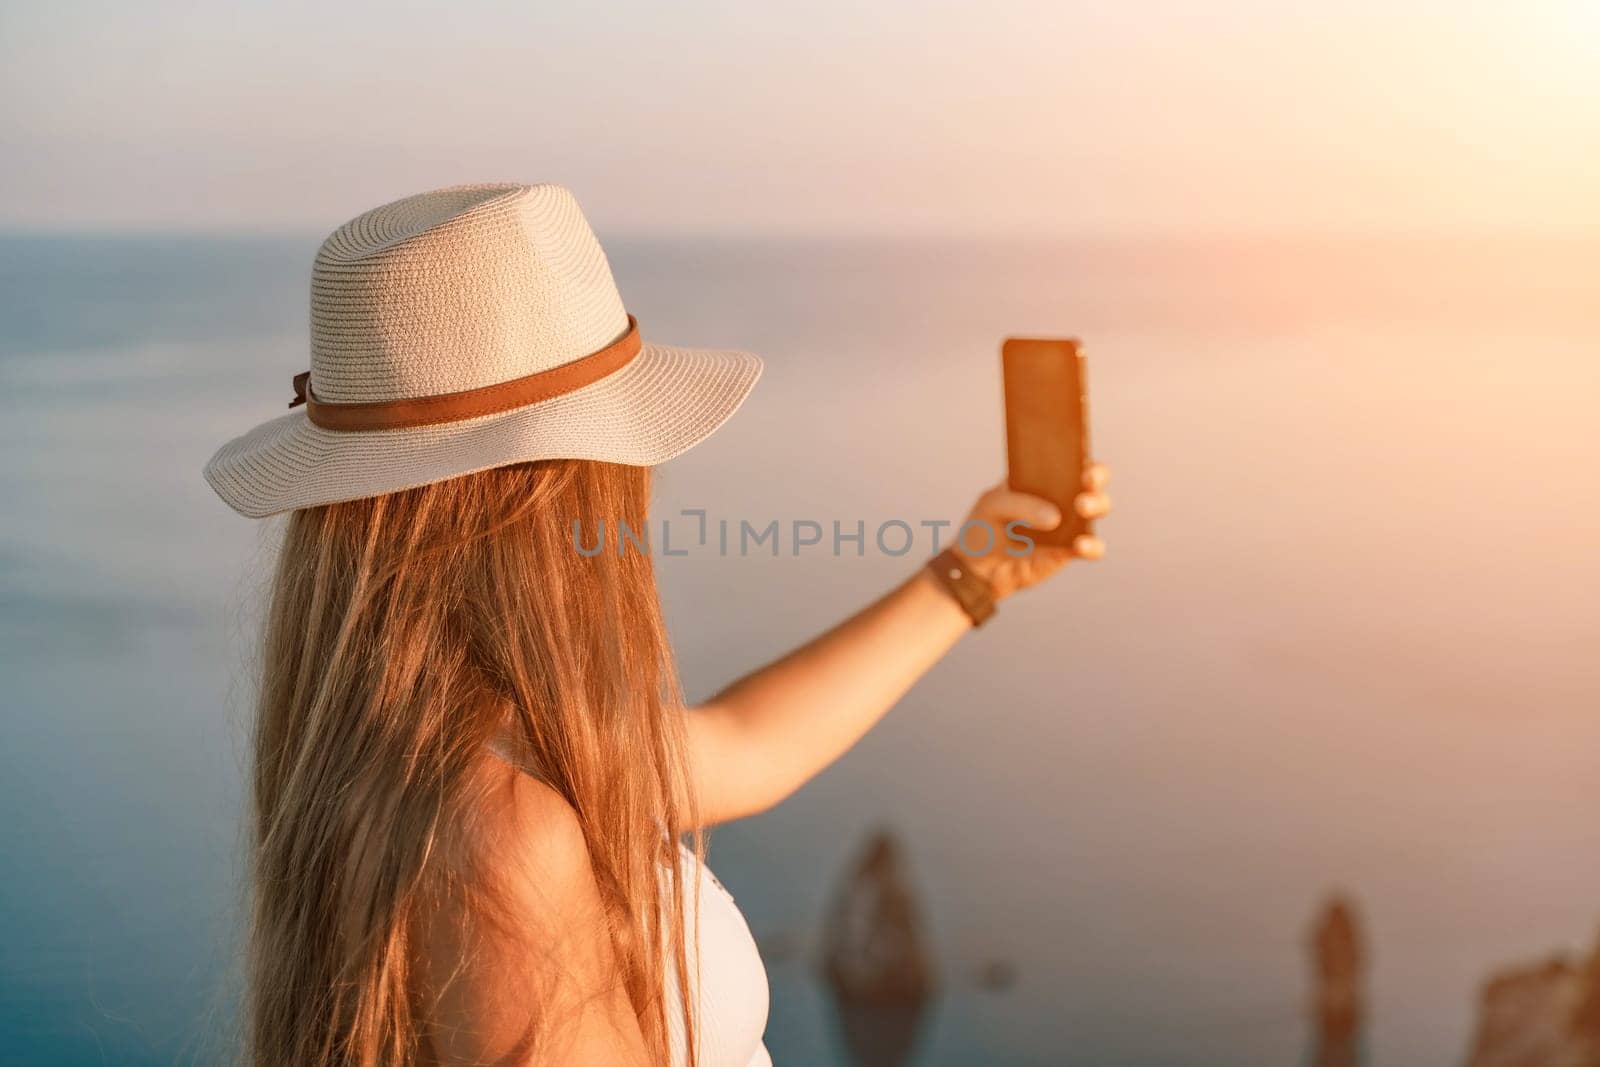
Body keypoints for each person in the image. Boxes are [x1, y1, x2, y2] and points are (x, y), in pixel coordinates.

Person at [203, 183, 1112, 1067]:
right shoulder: (508, 837)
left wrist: (973, 573)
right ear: (554, 488)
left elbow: (744, 744)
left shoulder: (454, 747)